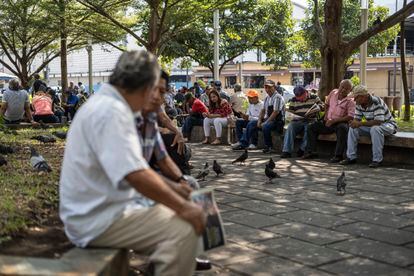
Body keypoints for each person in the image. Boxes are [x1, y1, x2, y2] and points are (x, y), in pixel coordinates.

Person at [59, 50, 205, 276]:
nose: (156, 97)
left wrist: (178, 187)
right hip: (97, 218)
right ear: (145, 86)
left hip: (106, 207)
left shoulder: (111, 106)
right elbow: (135, 174)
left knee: (182, 210)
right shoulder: (111, 112)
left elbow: (142, 167)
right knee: (184, 228)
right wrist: (182, 204)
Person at [340, 85, 397, 168]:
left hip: (388, 125)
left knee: (375, 129)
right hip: (373, 126)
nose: (354, 100)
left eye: (356, 98)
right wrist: (353, 122)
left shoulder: (377, 102)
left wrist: (360, 124)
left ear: (363, 97)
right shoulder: (359, 104)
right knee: (353, 129)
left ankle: (377, 160)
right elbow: (357, 119)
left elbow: (378, 121)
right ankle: (351, 157)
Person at [303, 79, 355, 162]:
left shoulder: (351, 101)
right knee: (311, 127)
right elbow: (326, 104)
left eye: (346, 88)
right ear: (339, 86)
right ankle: (311, 152)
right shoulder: (333, 93)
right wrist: (326, 115)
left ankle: (338, 155)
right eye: (342, 87)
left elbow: (350, 116)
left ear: (350, 90)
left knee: (343, 128)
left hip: (339, 123)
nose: (343, 90)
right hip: (327, 121)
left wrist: (334, 121)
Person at [281, 86, 323, 158]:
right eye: (299, 99)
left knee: (309, 128)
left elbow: (322, 106)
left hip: (311, 120)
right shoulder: (293, 100)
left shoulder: (314, 97)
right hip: (298, 120)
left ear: (306, 92)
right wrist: (290, 115)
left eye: (302, 98)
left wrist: (318, 108)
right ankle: (286, 151)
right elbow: (291, 112)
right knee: (290, 127)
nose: (301, 100)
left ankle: (302, 149)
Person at [257, 80, 285, 153]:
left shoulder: (277, 97)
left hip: (277, 121)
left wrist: (265, 122)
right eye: (266, 87)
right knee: (252, 123)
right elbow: (263, 110)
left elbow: (276, 112)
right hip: (270, 119)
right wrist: (259, 120)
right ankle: (250, 143)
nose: (267, 89)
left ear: (274, 87)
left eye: (269, 87)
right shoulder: (267, 98)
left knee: (266, 126)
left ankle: (269, 146)